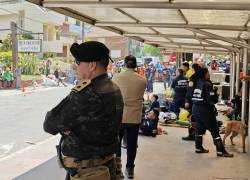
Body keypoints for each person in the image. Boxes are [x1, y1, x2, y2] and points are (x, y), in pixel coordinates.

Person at [43, 41, 124, 180]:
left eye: (78, 61)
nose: (75, 66)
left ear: (92, 65)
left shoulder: (87, 94)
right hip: (107, 166)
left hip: (87, 172)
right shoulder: (114, 88)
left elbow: (50, 124)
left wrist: (69, 128)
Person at [113, 55, 147, 179]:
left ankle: (118, 170)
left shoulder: (116, 77)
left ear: (125, 64)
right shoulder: (143, 80)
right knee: (132, 144)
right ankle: (130, 169)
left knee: (116, 144)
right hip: (134, 117)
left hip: (119, 117)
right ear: (136, 65)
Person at [192, 67, 233, 157]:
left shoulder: (197, 82)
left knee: (199, 128)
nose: (209, 75)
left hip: (195, 108)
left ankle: (198, 148)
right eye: (208, 73)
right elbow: (212, 100)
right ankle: (220, 151)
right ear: (204, 74)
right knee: (214, 130)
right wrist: (216, 94)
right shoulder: (207, 84)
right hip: (205, 110)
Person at [182, 63, 201, 141]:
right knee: (197, 119)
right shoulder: (201, 77)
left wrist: (187, 101)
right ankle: (197, 135)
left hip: (192, 102)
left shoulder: (193, 78)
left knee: (191, 118)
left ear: (193, 69)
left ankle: (192, 135)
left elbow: (190, 91)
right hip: (199, 102)